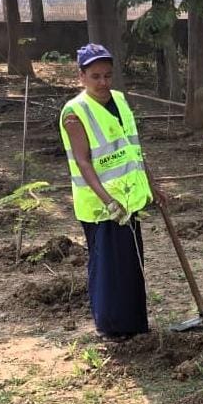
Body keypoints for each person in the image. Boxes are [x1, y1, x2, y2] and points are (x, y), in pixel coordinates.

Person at [59, 43, 167, 342]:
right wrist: (108, 201)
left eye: (108, 75)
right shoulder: (74, 111)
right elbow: (83, 160)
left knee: (130, 264)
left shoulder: (119, 100)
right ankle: (110, 327)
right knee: (108, 266)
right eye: (95, 76)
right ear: (81, 76)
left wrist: (151, 185)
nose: (103, 82)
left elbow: (133, 149)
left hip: (129, 198)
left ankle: (132, 325)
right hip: (100, 205)